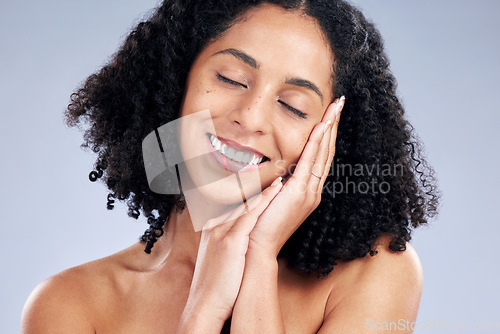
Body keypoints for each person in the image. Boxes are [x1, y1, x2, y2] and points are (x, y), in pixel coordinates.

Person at [21, 0, 440, 332]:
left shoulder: (378, 271)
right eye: (232, 79)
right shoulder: (69, 305)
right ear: (175, 82)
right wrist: (202, 312)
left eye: (293, 106)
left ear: (333, 137)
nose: (251, 117)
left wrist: (257, 257)